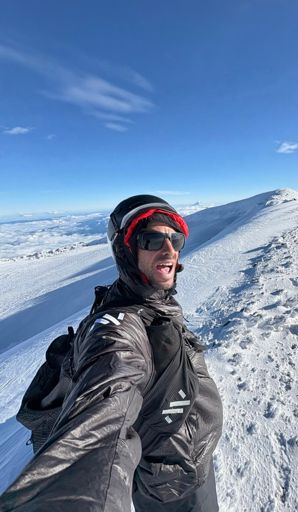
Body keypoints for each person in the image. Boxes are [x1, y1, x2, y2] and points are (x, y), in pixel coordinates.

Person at [0, 195, 223, 512]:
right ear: (126, 250)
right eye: (152, 239)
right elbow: (100, 420)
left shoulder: (150, 302)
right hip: (173, 486)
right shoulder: (119, 331)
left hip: (186, 462)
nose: (169, 249)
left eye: (176, 239)